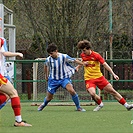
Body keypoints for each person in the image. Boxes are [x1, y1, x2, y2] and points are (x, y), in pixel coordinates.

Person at [76, 39, 133, 111]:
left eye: (84, 50)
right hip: (89, 78)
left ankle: (127, 105)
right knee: (92, 93)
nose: (83, 52)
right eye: (82, 50)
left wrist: (113, 74)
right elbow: (82, 61)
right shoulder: (83, 55)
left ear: (89, 49)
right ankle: (100, 104)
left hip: (99, 77)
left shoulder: (96, 55)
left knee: (112, 91)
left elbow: (105, 65)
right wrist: (78, 67)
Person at [38, 43, 87, 112]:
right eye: (49, 54)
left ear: (56, 51)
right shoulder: (48, 60)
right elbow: (45, 66)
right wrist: (46, 76)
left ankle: (78, 107)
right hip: (53, 80)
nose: (50, 55)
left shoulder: (63, 56)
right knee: (49, 97)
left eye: (52, 53)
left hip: (64, 78)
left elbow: (74, 60)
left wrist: (83, 64)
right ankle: (43, 104)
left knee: (72, 91)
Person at [0, 37, 32, 126]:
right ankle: (18, 121)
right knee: (13, 93)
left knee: (4, 96)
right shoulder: (1, 40)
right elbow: (4, 53)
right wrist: (17, 53)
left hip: (2, 75)